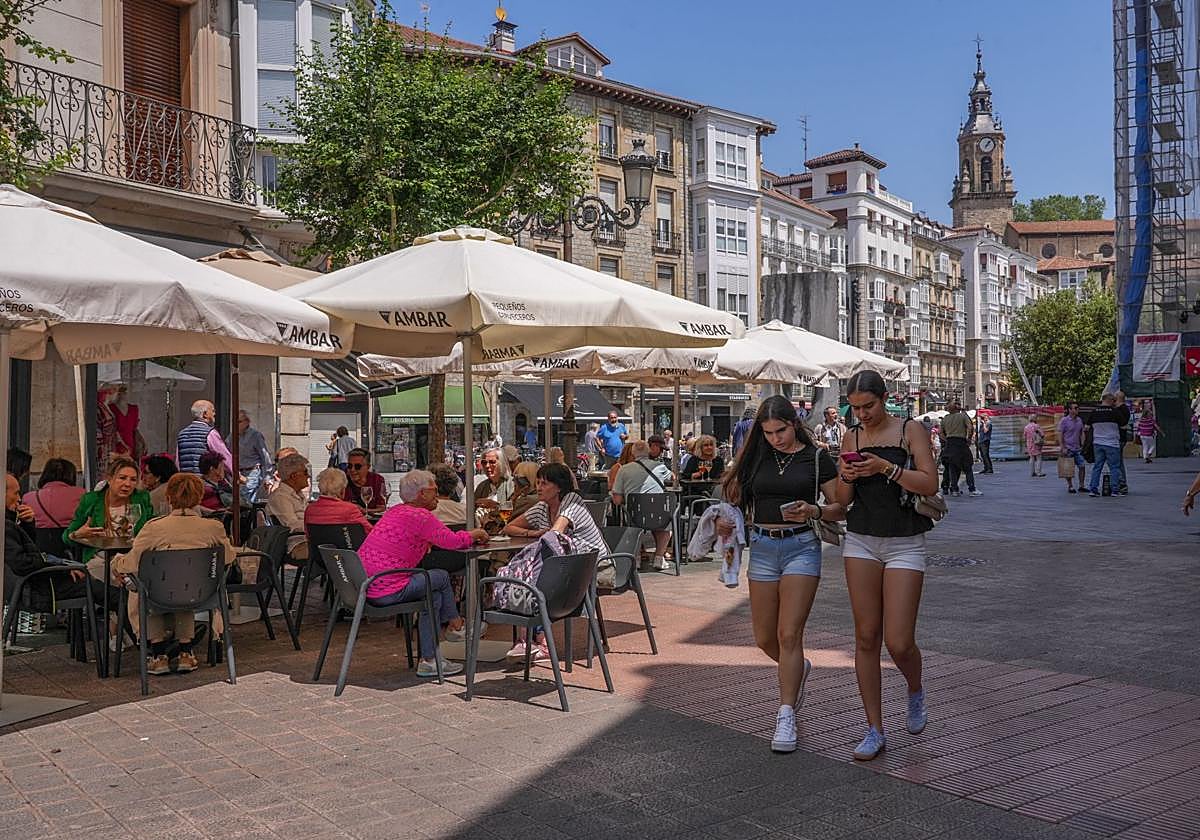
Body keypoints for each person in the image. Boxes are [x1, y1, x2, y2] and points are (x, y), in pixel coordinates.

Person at [715, 395, 844, 754]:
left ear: (794, 423)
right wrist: (726, 519)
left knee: (789, 633)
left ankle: (785, 712)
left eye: (781, 430)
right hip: (763, 547)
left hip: (802, 547)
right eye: (768, 432)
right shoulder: (756, 455)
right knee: (763, 638)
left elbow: (839, 507)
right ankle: (798, 669)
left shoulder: (816, 457)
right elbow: (733, 497)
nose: (776, 438)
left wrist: (813, 510)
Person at [831, 370, 939, 761]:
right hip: (861, 537)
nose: (862, 415)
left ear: (885, 398)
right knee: (866, 636)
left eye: (869, 406)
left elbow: (929, 484)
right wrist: (847, 474)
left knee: (898, 640)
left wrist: (885, 468)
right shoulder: (851, 437)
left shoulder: (911, 431)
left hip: (905, 541)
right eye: (855, 408)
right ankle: (874, 728)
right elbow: (843, 500)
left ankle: (914, 688)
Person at [356, 470, 489, 678]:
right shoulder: (421, 516)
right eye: (434, 491)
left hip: (365, 586)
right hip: (385, 588)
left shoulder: (394, 511)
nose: (438, 495)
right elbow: (453, 542)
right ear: (421, 494)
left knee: (433, 596)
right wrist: (475, 534)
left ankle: (430, 660)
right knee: (440, 576)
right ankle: (457, 626)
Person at [112, 473, 237, 675]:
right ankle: (186, 653)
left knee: (144, 588)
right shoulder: (213, 527)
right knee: (185, 583)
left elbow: (132, 563)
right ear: (198, 499)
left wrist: (115, 563)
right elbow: (229, 557)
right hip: (202, 594)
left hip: (158, 594)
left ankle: (158, 655)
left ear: (168, 499)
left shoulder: (154, 528)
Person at [502, 463, 606, 662]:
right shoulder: (542, 507)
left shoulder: (572, 501)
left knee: (538, 580)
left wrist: (541, 536)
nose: (539, 487)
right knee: (527, 577)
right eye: (538, 482)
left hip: (594, 566)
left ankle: (538, 641)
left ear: (559, 487)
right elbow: (510, 527)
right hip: (564, 566)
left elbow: (555, 533)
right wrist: (531, 533)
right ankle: (529, 640)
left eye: (545, 483)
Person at [6, 473, 112, 618]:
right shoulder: (5, 527)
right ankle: (135, 639)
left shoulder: (16, 515)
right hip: (38, 588)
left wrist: (27, 523)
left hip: (28, 586)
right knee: (109, 591)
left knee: (101, 582)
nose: (19, 498)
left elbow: (27, 551)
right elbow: (22, 562)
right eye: (16, 493)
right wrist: (60, 568)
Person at [64, 455, 154, 574]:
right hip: (101, 559)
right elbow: (66, 537)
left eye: (133, 480)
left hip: (133, 558)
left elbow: (152, 525)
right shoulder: (91, 500)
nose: (128, 484)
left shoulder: (141, 498)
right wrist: (77, 534)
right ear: (109, 479)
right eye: (122, 478)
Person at [610, 439, 674, 570]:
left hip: (635, 515)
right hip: (659, 515)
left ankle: (636, 558)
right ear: (648, 451)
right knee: (665, 527)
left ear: (633, 453)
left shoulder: (624, 470)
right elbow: (673, 478)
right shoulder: (659, 466)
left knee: (634, 526)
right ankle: (659, 558)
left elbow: (616, 500)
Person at [304, 468, 373, 535]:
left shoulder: (309, 509)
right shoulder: (350, 509)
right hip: (345, 546)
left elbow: (307, 534)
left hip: (316, 546)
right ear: (342, 490)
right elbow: (371, 532)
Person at [266, 453, 311, 558]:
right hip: (296, 544)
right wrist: (316, 525)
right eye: (305, 472)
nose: (308, 475)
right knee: (332, 550)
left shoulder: (298, 494)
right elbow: (292, 525)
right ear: (293, 476)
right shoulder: (280, 497)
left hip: (308, 539)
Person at [1087, 391, 1130, 497]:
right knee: (1114, 467)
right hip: (1112, 443)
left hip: (1097, 443)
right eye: (1113, 400)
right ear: (1109, 400)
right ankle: (1114, 490)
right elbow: (1124, 426)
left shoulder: (1094, 412)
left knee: (1097, 466)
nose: (1114, 402)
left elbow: (1087, 427)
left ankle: (1093, 489)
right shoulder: (1114, 411)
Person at [23, 458, 85, 530]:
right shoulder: (82, 494)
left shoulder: (28, 498)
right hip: (72, 539)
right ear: (71, 475)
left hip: (36, 539)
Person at [176, 400, 232, 476]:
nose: (214, 414)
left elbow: (178, 461)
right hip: (202, 482)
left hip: (187, 481)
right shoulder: (210, 433)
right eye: (212, 411)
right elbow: (224, 456)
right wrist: (237, 474)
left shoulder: (182, 434)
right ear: (205, 414)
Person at [228, 410, 273, 503]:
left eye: (239, 422)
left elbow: (265, 457)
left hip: (252, 472)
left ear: (247, 422)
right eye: (234, 422)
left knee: (245, 500)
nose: (236, 425)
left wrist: (267, 476)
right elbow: (226, 453)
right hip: (237, 474)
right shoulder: (232, 436)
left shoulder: (255, 436)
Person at [939, 402, 980, 497]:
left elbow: (940, 433)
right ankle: (972, 489)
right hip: (961, 442)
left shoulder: (945, 418)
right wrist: (968, 438)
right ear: (957, 408)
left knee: (952, 467)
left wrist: (947, 439)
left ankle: (954, 490)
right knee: (968, 466)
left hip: (950, 443)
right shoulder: (963, 416)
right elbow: (970, 427)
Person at [1058, 403, 1087, 493]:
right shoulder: (1064, 420)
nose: (1077, 409)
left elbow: (1082, 432)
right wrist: (1062, 447)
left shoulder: (1079, 420)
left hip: (1077, 448)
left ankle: (1081, 485)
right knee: (1068, 468)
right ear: (1070, 410)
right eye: (1075, 408)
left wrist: (1083, 443)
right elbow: (1060, 434)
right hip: (1068, 447)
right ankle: (1070, 486)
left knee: (1082, 466)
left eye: (1078, 408)